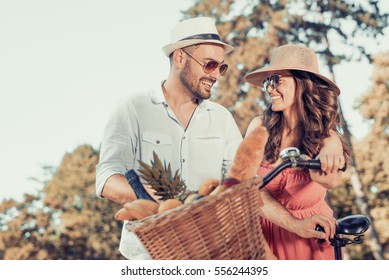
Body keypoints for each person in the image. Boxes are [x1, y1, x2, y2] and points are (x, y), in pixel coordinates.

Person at [96, 18, 338, 260]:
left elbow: (245, 188)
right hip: (148, 256)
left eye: (221, 68)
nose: (216, 75)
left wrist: (294, 224)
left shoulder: (222, 119)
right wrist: (158, 201)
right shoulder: (133, 108)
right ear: (179, 58)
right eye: (210, 64)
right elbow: (107, 178)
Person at [244, 44, 351, 260]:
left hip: (310, 243)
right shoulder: (258, 127)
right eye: (267, 82)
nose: (269, 89)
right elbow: (243, 186)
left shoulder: (326, 138)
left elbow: (333, 179)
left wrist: (326, 162)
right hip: (261, 242)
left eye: (277, 81)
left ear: (302, 83)